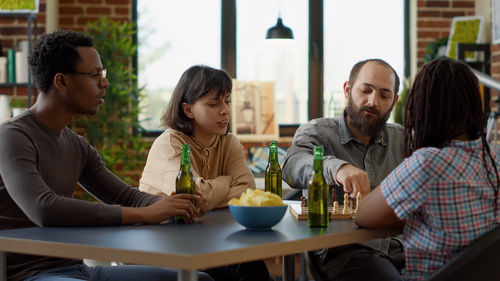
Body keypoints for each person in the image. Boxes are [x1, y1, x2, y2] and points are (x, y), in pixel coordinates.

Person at [0, 30, 213, 281]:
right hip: (27, 275)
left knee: (199, 279)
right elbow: (43, 208)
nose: (105, 83)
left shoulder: (76, 145)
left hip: (78, 271)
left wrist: (172, 205)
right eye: (95, 75)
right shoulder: (12, 136)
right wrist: (145, 214)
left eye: (103, 74)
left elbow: (126, 196)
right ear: (61, 82)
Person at [355, 57, 500, 281]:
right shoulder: (495, 156)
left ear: (424, 107)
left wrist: (407, 210)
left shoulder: (427, 163)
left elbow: (363, 215)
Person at [138, 65, 273, 281]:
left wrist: (211, 193)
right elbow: (193, 196)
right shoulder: (170, 143)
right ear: (188, 110)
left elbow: (247, 190)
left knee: (248, 262)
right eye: (214, 103)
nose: (225, 110)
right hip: (163, 246)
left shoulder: (229, 142)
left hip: (208, 240)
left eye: (227, 101)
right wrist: (227, 181)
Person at [282, 58, 404, 281]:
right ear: (347, 89)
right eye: (365, 90)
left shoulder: (401, 139)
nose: (373, 101)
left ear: (394, 101)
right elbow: (291, 165)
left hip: (400, 247)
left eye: (384, 95)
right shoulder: (317, 132)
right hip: (344, 250)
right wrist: (336, 168)